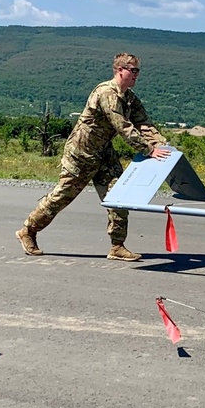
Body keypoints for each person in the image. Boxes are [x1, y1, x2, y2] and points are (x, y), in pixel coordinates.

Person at [16, 53, 171, 261]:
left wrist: (162, 145)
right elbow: (123, 127)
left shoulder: (130, 99)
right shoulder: (107, 93)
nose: (136, 74)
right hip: (81, 154)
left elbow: (144, 124)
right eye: (132, 70)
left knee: (120, 196)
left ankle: (117, 246)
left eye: (138, 70)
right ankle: (28, 230)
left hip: (103, 154)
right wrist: (148, 150)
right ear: (119, 70)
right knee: (61, 197)